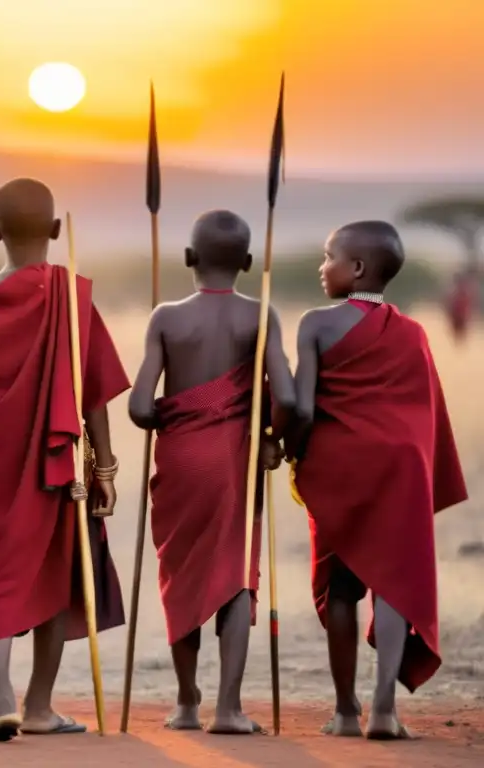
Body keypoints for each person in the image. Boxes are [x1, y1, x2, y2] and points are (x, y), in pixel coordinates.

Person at [0, 178, 128, 742]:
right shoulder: (70, 295)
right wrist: (104, 468)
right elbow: (91, 391)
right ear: (54, 230)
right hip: (51, 460)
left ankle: (0, 693)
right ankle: (39, 705)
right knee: (57, 568)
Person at [289, 221, 467, 740]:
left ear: (358, 269)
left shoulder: (315, 324)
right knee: (392, 585)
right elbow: (424, 412)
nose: (323, 267)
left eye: (329, 257)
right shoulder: (413, 332)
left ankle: (346, 711)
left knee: (341, 588)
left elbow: (300, 405)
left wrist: (283, 445)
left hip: (340, 468)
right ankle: (385, 710)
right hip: (401, 471)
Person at [127, 210, 295, 734]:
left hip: (179, 459)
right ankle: (229, 708)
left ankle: (184, 704)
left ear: (188, 258)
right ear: (247, 263)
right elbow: (287, 396)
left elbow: (138, 407)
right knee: (235, 577)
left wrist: (173, 413)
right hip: (233, 461)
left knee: (181, 575)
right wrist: (270, 438)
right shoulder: (261, 315)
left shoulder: (166, 317)